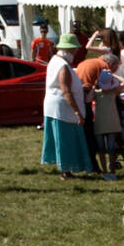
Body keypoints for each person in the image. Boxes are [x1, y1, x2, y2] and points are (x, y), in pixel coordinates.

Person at [41, 34, 92, 179]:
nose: (76, 52)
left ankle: (65, 168)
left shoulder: (55, 61)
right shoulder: (62, 65)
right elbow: (65, 90)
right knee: (66, 139)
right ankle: (66, 170)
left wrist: (80, 87)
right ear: (69, 50)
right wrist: (77, 112)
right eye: (74, 49)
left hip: (54, 105)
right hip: (62, 108)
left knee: (61, 138)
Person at [74, 49, 109, 166]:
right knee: (90, 134)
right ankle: (92, 163)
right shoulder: (104, 67)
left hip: (80, 94)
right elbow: (107, 84)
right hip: (86, 96)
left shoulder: (87, 62)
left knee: (85, 133)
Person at [92, 58, 122, 180]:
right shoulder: (99, 93)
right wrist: (95, 86)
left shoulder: (112, 92)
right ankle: (105, 171)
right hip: (103, 124)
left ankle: (112, 171)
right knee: (102, 150)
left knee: (110, 149)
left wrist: (111, 75)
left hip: (107, 124)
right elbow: (88, 98)